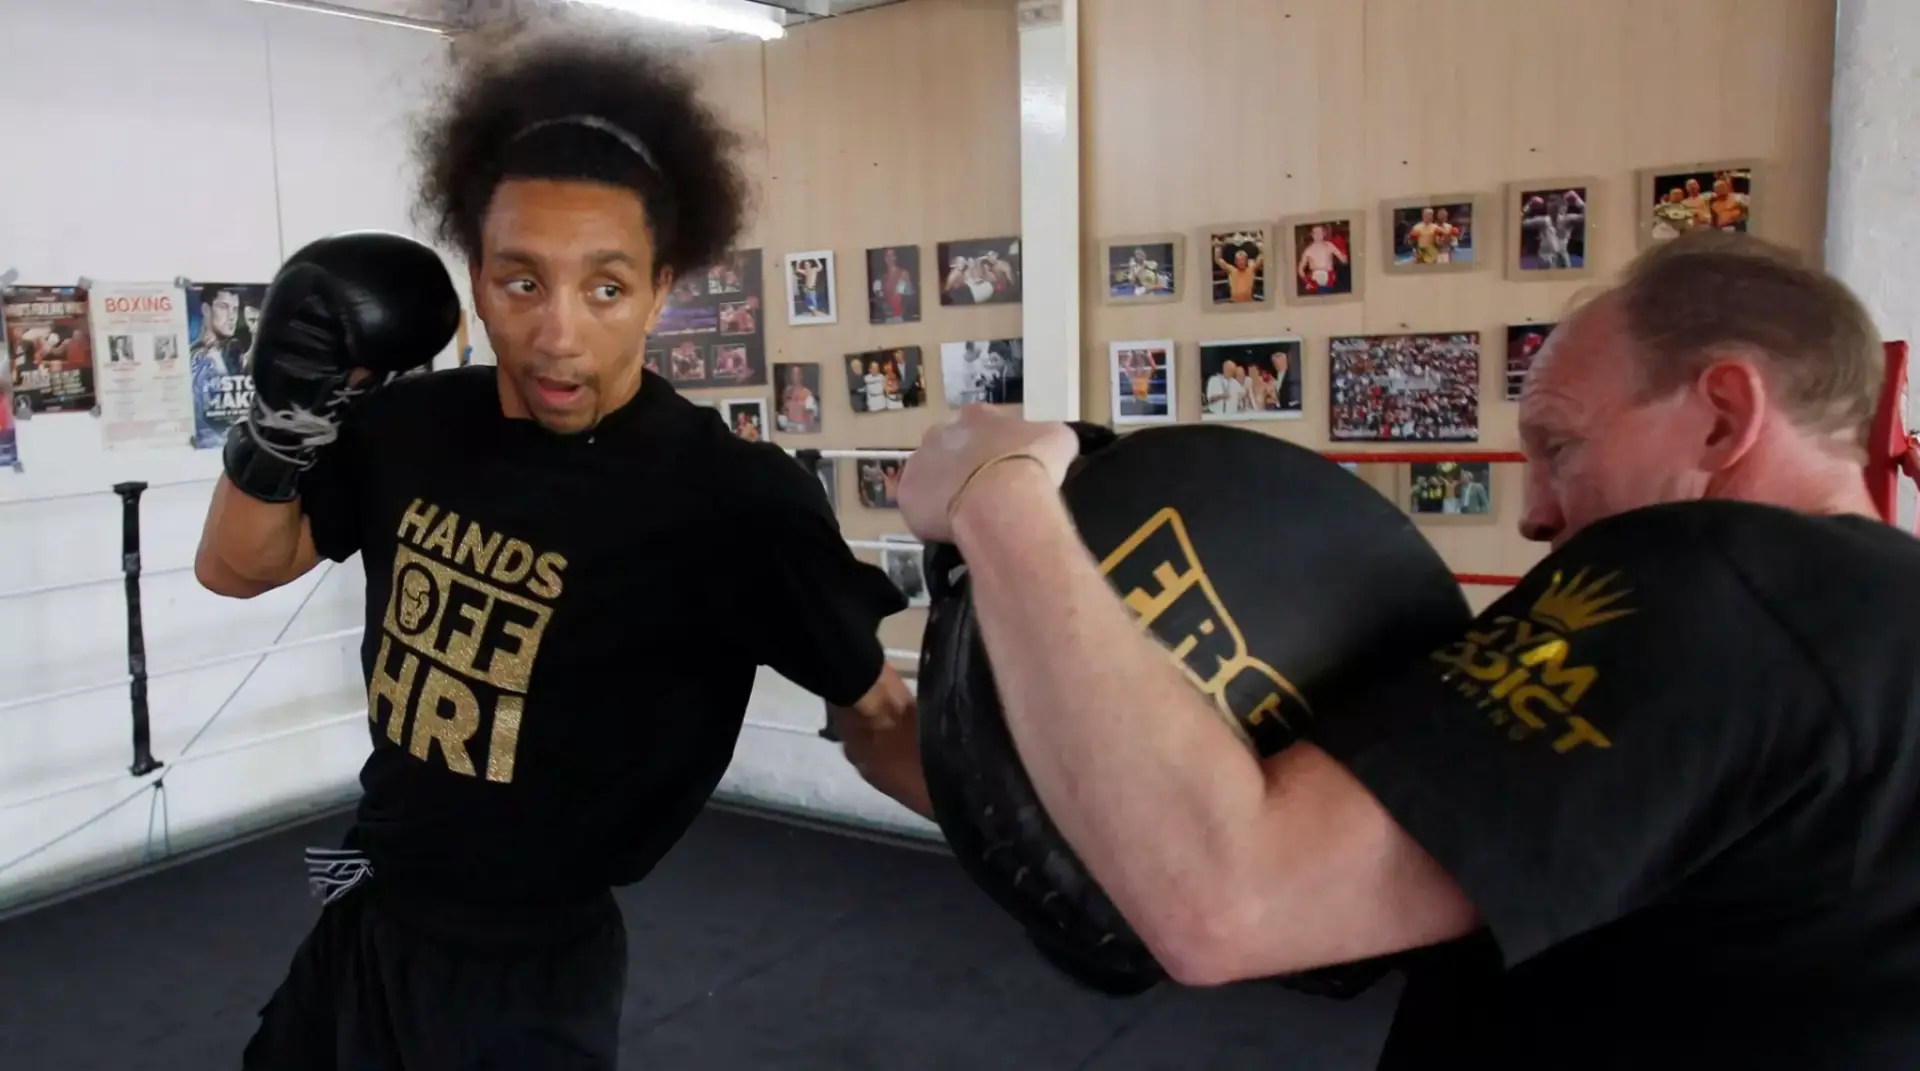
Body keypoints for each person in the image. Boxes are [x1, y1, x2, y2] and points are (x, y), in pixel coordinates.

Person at [896, 230, 1920, 1066]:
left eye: (1560, 446)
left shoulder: (1722, 577)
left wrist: (1002, 497)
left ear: (1723, 417)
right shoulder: (1871, 620)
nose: (1536, 513)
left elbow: (1227, 901)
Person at [196, 29, 929, 1069]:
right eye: (523, 283)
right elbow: (236, 568)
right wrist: (280, 428)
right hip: (370, 903)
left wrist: (1074, 839)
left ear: (662, 289)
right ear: (478, 278)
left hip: (531, 960)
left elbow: (880, 720)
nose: (559, 335)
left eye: (605, 287)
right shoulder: (412, 428)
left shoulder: (727, 498)